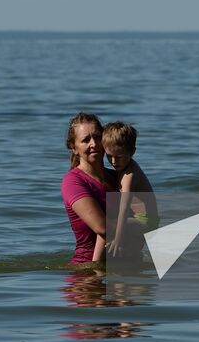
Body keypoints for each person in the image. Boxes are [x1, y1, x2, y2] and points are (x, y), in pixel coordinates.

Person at [61, 112, 115, 266]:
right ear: (74, 148)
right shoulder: (73, 182)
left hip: (119, 267)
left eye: (98, 137)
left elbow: (149, 216)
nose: (94, 144)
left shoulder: (117, 177)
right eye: (86, 140)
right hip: (87, 273)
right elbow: (103, 228)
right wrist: (140, 222)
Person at [101, 122, 158, 264]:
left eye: (119, 156)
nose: (114, 162)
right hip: (138, 219)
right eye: (109, 156)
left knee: (104, 224)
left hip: (146, 222)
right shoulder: (123, 167)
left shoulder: (129, 175)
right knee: (130, 262)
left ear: (132, 152)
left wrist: (118, 239)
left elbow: (124, 208)